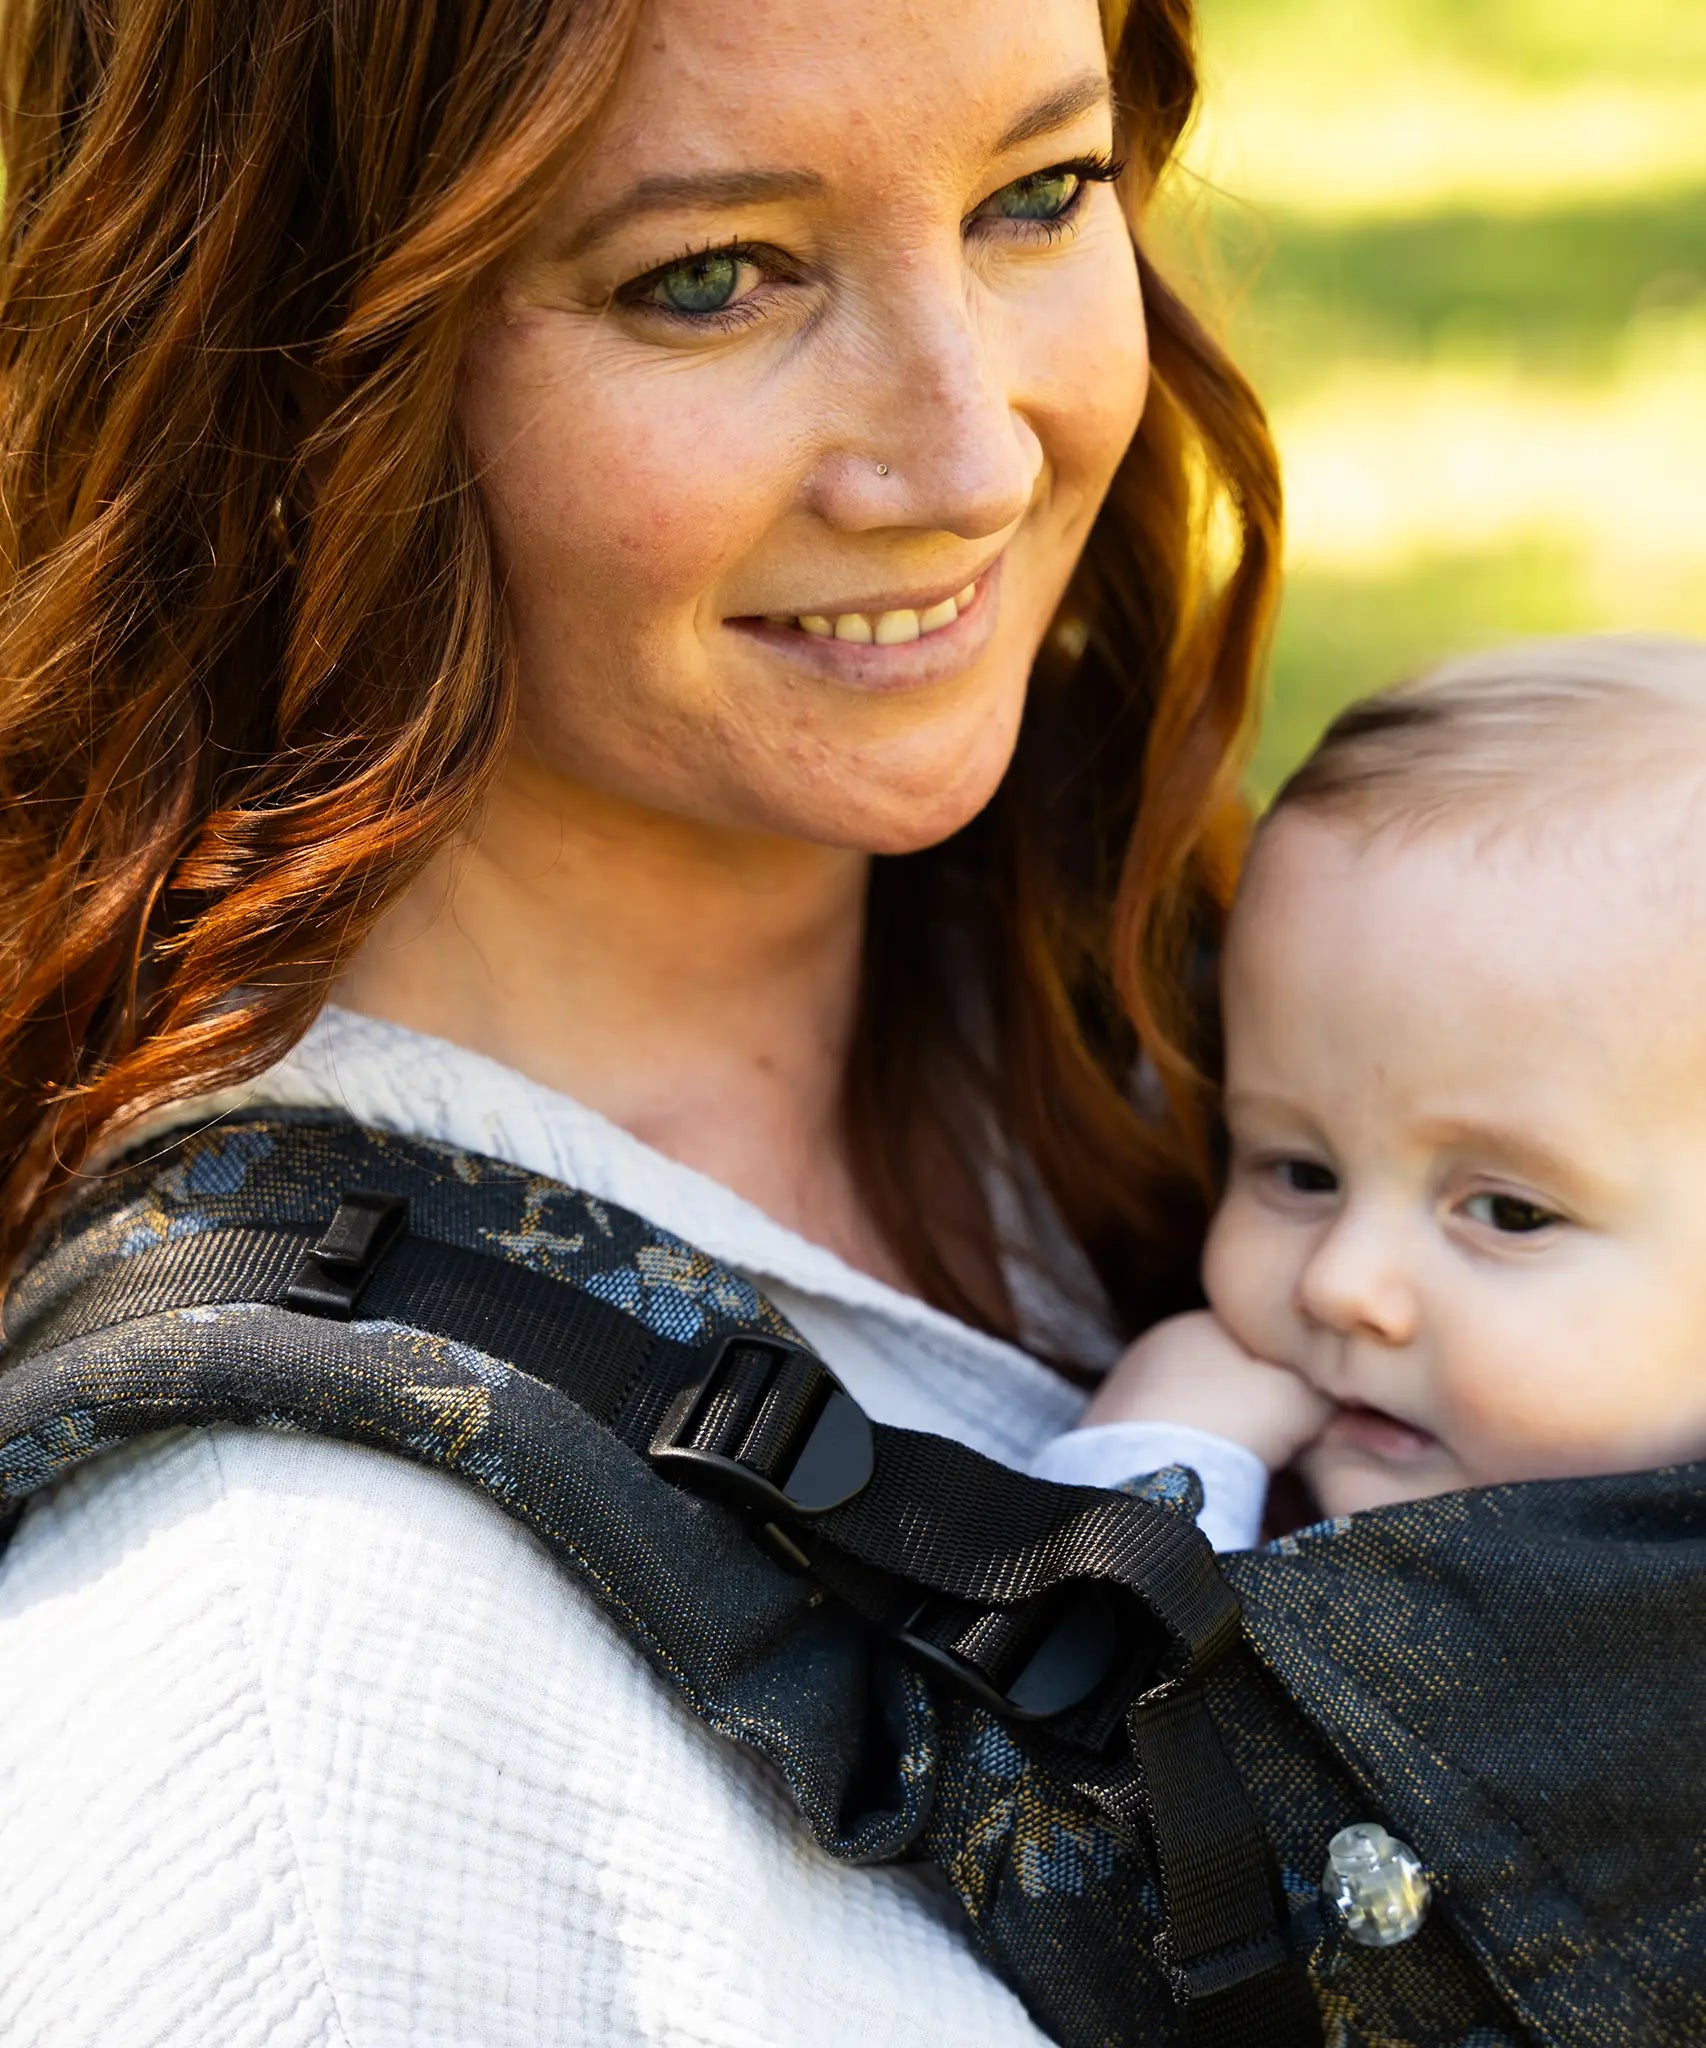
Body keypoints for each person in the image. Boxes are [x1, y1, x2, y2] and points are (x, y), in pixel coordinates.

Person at [0, 1, 1284, 2042]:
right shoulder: (291, 1704)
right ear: (286, 365)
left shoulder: (1246, 1037)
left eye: (1037, 193)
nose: (968, 453)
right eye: (708, 277)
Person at [1066, 634, 1706, 1545]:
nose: (1340, 1284)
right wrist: (1162, 1467)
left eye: (1508, 1213)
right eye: (1300, 1173)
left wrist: (1136, 1497)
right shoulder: (1256, 1481)